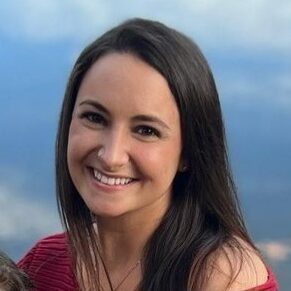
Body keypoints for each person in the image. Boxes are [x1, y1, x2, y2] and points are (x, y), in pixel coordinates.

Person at [17, 18, 278, 291]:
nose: (111, 156)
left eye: (146, 130)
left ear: (188, 153)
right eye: (94, 117)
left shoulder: (222, 277)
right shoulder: (41, 266)